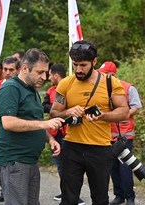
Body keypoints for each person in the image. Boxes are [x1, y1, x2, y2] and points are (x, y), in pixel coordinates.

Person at [50, 40, 130, 205]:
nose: (78, 69)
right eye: (75, 65)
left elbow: (124, 111)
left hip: (100, 149)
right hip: (72, 147)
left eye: (83, 65)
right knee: (68, 199)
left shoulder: (110, 82)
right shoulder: (65, 83)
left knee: (100, 199)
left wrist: (103, 116)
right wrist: (68, 112)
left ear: (94, 62)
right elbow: (53, 113)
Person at [0, 48, 64, 205]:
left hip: (30, 160)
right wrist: (44, 123)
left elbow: (33, 120)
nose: (44, 77)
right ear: (25, 68)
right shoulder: (10, 88)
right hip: (14, 161)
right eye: (40, 72)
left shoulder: (31, 89)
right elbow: (8, 122)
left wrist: (49, 138)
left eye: (46, 73)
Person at [99, 61, 142, 205]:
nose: (102, 76)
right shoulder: (100, 88)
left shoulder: (128, 87)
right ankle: (119, 196)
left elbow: (136, 107)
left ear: (112, 74)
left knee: (125, 168)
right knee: (113, 168)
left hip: (124, 136)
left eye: (105, 74)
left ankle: (130, 197)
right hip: (106, 136)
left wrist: (121, 115)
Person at [42, 64, 85, 204]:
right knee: (60, 164)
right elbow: (45, 106)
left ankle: (73, 195)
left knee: (68, 166)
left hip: (69, 133)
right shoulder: (50, 90)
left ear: (55, 75)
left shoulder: (71, 86)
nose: (48, 78)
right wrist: (60, 107)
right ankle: (65, 193)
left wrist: (62, 108)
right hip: (55, 132)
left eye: (49, 75)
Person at [0, 56, 20, 203]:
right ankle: (4, 192)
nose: (8, 72)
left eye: (11, 70)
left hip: (17, 131)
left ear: (18, 70)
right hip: (1, 128)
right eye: (6, 69)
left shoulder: (22, 86)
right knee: (3, 163)